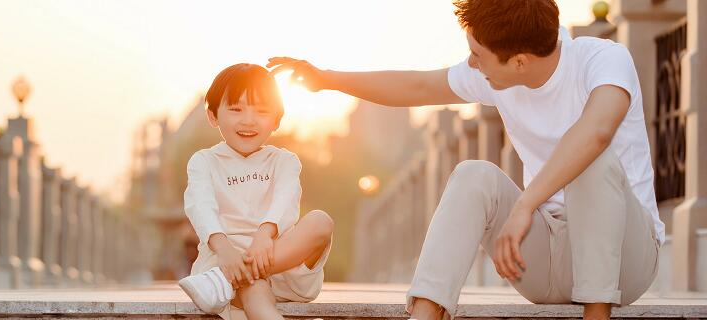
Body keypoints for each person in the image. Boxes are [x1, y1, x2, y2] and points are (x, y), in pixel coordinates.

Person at [266, 1, 662, 319]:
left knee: (591, 159)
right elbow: (417, 85)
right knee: (474, 173)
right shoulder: (497, 75)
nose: (471, 62)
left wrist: (525, 204)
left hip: (625, 262)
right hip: (550, 262)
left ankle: (597, 314)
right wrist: (327, 79)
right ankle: (425, 313)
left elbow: (595, 133)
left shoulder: (603, 60)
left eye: (477, 54)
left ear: (520, 61)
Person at [179, 63, 334, 320]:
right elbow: (200, 206)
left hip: (279, 260)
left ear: (276, 120)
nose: (248, 120)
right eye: (236, 109)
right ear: (213, 115)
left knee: (321, 221)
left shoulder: (285, 161)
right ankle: (236, 277)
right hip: (224, 260)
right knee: (255, 292)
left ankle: (233, 278)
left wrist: (265, 233)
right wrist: (225, 250)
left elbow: (286, 199)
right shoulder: (204, 161)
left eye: (261, 111)